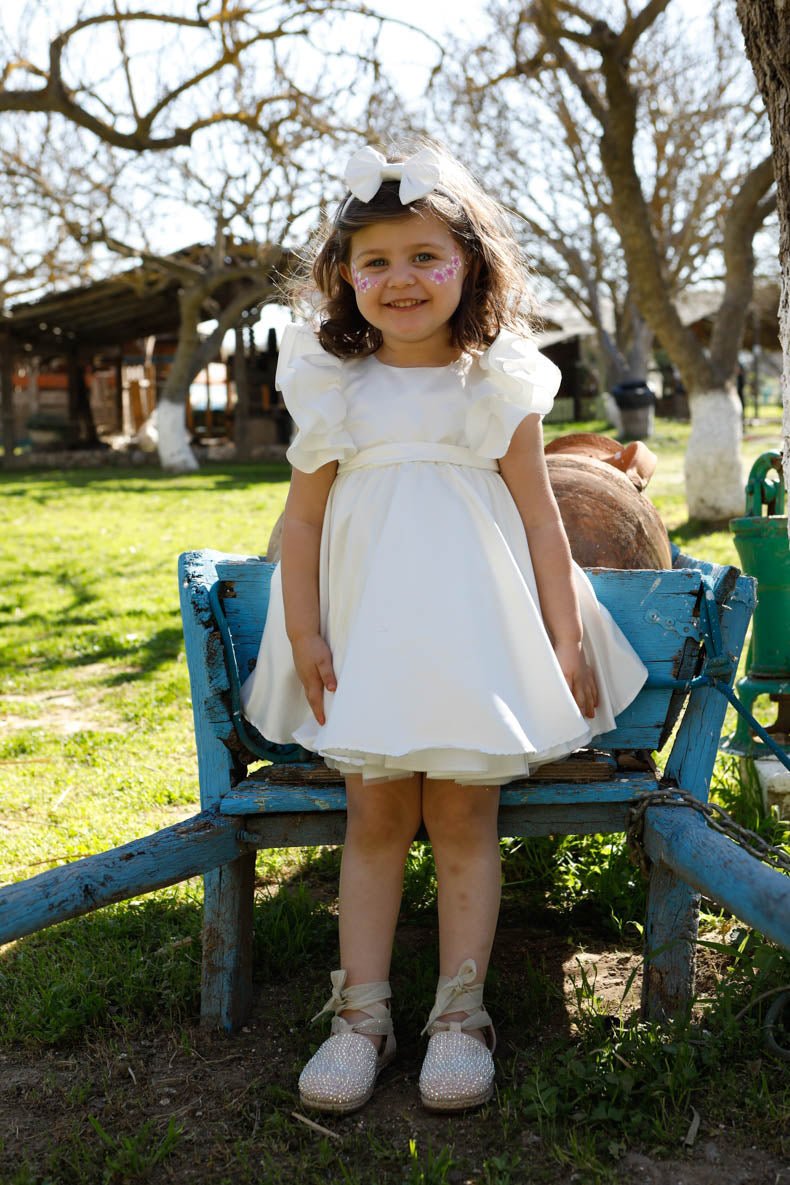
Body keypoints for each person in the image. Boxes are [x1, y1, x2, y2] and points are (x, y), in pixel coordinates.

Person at [242, 142, 647, 1115]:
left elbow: (542, 522)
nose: (402, 278)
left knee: (464, 818)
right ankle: (362, 1018)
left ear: (469, 265)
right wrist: (304, 635)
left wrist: (563, 639)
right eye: (375, 261)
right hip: (366, 642)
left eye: (426, 256)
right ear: (345, 276)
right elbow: (304, 523)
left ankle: (461, 1017)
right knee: (375, 818)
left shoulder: (495, 385)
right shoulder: (333, 385)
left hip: (473, 645)